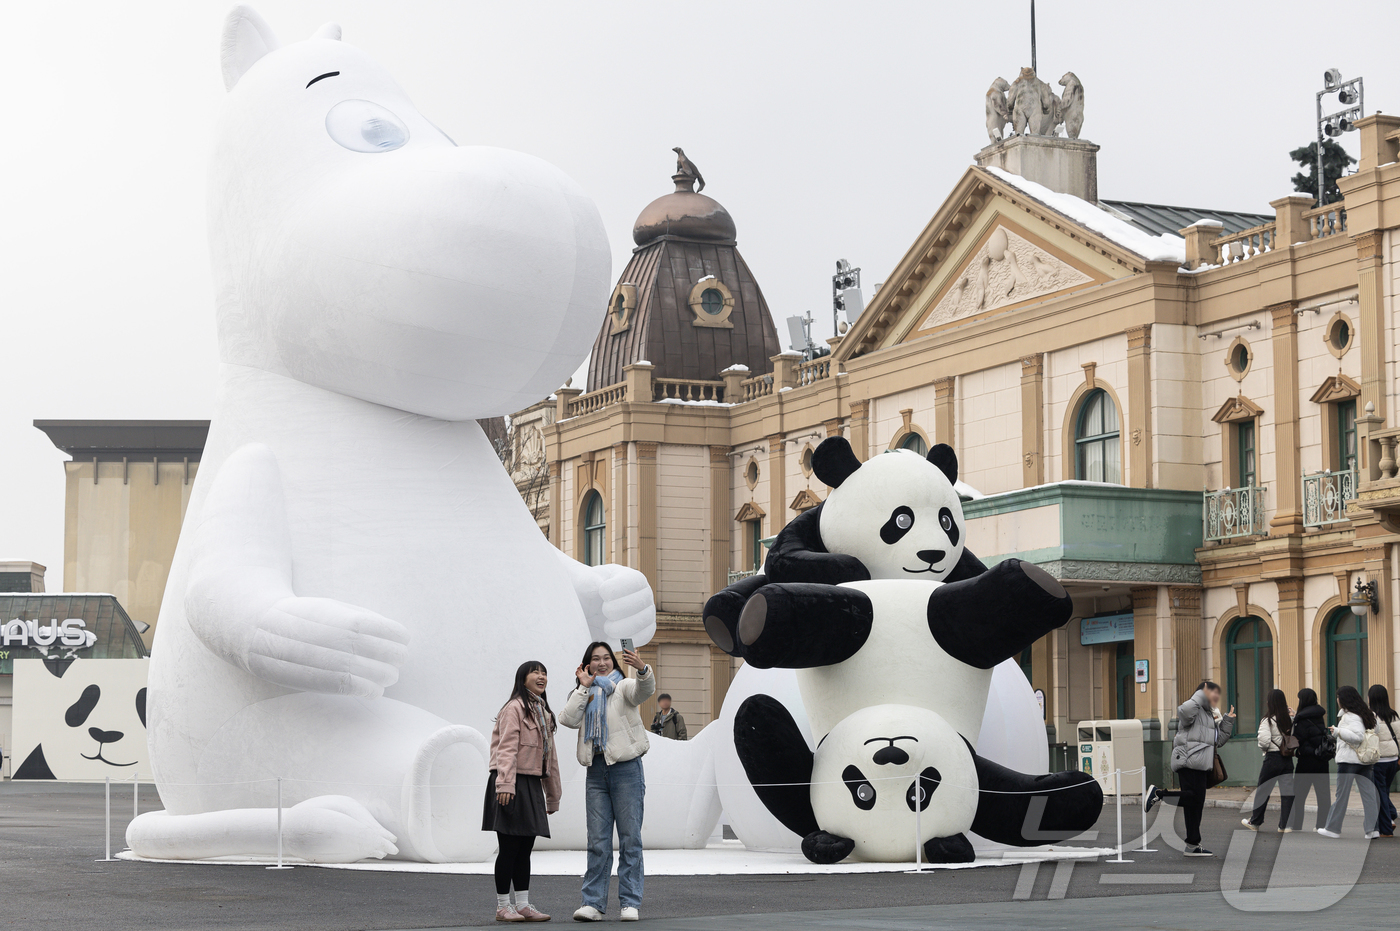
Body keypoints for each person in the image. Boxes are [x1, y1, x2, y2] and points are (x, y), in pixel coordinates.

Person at [560, 641, 655, 922]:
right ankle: (592, 903)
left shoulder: (622, 686)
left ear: (613, 662)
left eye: (606, 658)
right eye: (595, 659)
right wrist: (583, 687)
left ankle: (629, 902)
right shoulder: (585, 691)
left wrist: (642, 670)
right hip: (597, 771)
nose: (602, 663)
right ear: (587, 664)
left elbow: (643, 691)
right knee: (598, 841)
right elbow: (567, 719)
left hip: (626, 769)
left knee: (630, 839)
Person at [484, 660, 561, 923]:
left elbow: (550, 759)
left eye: (544, 672)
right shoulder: (514, 708)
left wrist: (552, 795)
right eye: (535, 672)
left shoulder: (545, 713)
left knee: (525, 849)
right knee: (509, 848)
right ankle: (503, 907)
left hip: (531, 785)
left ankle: (523, 905)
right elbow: (505, 748)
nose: (541, 676)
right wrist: (505, 784)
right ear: (522, 678)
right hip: (511, 782)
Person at [1144, 680, 1235, 857]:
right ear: (1203, 693)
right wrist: (1202, 694)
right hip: (1189, 760)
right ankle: (1158, 794)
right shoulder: (1193, 709)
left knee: (1195, 804)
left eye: (1217, 693)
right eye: (1212, 692)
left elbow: (1218, 741)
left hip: (1201, 764)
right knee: (1193, 799)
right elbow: (1183, 711)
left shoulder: (1209, 714)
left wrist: (1228, 720)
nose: (1216, 696)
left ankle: (1193, 844)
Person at [1319, 685, 1379, 839]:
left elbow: (1358, 737)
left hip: (1349, 761)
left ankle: (1332, 828)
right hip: (1364, 761)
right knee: (1369, 796)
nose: (1337, 700)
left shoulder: (1350, 716)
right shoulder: (1367, 714)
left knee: (1342, 796)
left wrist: (1338, 731)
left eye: (1338, 697)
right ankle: (1372, 830)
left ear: (1343, 699)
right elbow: (1373, 732)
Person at [1243, 688, 1295, 832]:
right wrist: (1294, 715)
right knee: (1287, 793)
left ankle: (1255, 822)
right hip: (1287, 759)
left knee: (1263, 791)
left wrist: (1265, 749)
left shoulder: (1268, 720)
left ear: (1270, 703)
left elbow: (1264, 741)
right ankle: (1285, 825)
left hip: (1272, 758)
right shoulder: (1289, 720)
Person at [1290, 688, 1334, 832]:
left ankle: (1296, 825)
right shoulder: (1319, 714)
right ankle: (1322, 825)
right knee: (1323, 796)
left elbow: (1297, 740)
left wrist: (1293, 721)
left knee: (1299, 795)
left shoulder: (1301, 719)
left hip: (1306, 761)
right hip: (1321, 760)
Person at [1368, 684, 1398, 838]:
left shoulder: (1371, 716)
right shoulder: (1394, 714)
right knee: (1383, 792)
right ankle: (1390, 817)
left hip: (1379, 761)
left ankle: (1386, 829)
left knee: (1380, 794)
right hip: (1393, 759)